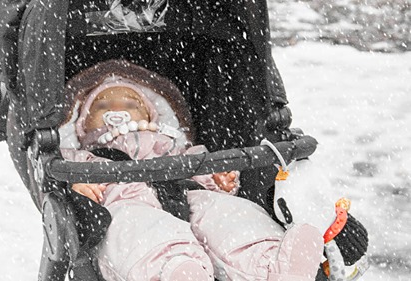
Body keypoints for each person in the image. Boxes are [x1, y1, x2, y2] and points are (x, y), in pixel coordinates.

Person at [58, 60, 323, 281]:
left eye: (131, 104)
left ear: (151, 116)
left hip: (187, 192)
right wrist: (78, 189)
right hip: (124, 202)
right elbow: (62, 184)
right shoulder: (80, 157)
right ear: (82, 124)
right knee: (141, 230)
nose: (117, 111)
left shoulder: (173, 146)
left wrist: (217, 180)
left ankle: (272, 261)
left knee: (227, 213)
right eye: (102, 106)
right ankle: (177, 270)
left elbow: (200, 169)